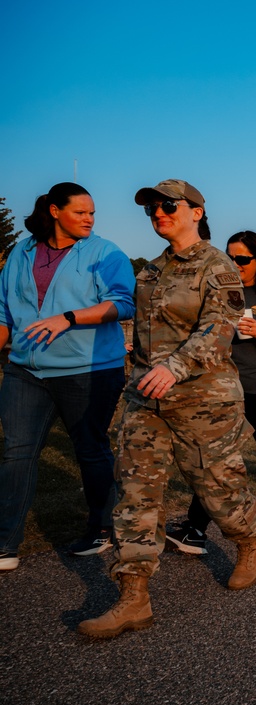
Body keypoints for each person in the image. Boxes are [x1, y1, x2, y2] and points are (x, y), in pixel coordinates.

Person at [79, 179, 256, 638]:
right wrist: (140, 369)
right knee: (136, 492)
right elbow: (143, 334)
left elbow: (220, 329)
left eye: (168, 205)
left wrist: (176, 367)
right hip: (147, 398)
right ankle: (133, 596)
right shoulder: (151, 271)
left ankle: (247, 539)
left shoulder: (219, 267)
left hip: (204, 400)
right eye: (151, 209)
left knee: (219, 491)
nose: (159, 213)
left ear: (196, 212)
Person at [0, 183, 135, 572]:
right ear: (55, 211)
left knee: (90, 450)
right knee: (16, 453)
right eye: (81, 212)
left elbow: (123, 303)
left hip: (89, 370)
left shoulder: (106, 253)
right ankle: (6, 543)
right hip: (25, 370)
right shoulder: (21, 252)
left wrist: (69, 317)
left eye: (93, 213)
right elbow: (2, 313)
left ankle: (101, 528)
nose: (90, 219)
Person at [166, 230, 256, 554]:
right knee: (215, 458)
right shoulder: (219, 295)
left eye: (243, 259)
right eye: (230, 258)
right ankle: (196, 529)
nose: (236, 264)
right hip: (227, 392)